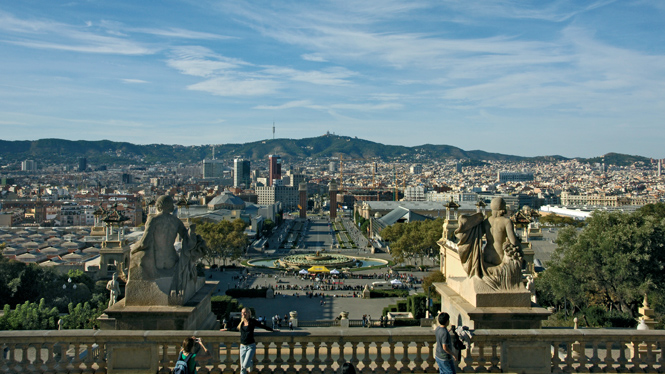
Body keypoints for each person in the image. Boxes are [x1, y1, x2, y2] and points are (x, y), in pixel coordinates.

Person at [221, 308, 276, 374]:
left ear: (249, 313)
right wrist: (227, 329)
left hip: (250, 346)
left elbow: (262, 326)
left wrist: (272, 330)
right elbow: (236, 329)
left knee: (245, 365)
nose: (243, 314)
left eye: (245, 312)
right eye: (242, 312)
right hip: (242, 347)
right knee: (242, 369)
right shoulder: (241, 322)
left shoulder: (252, 321)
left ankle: (251, 363)